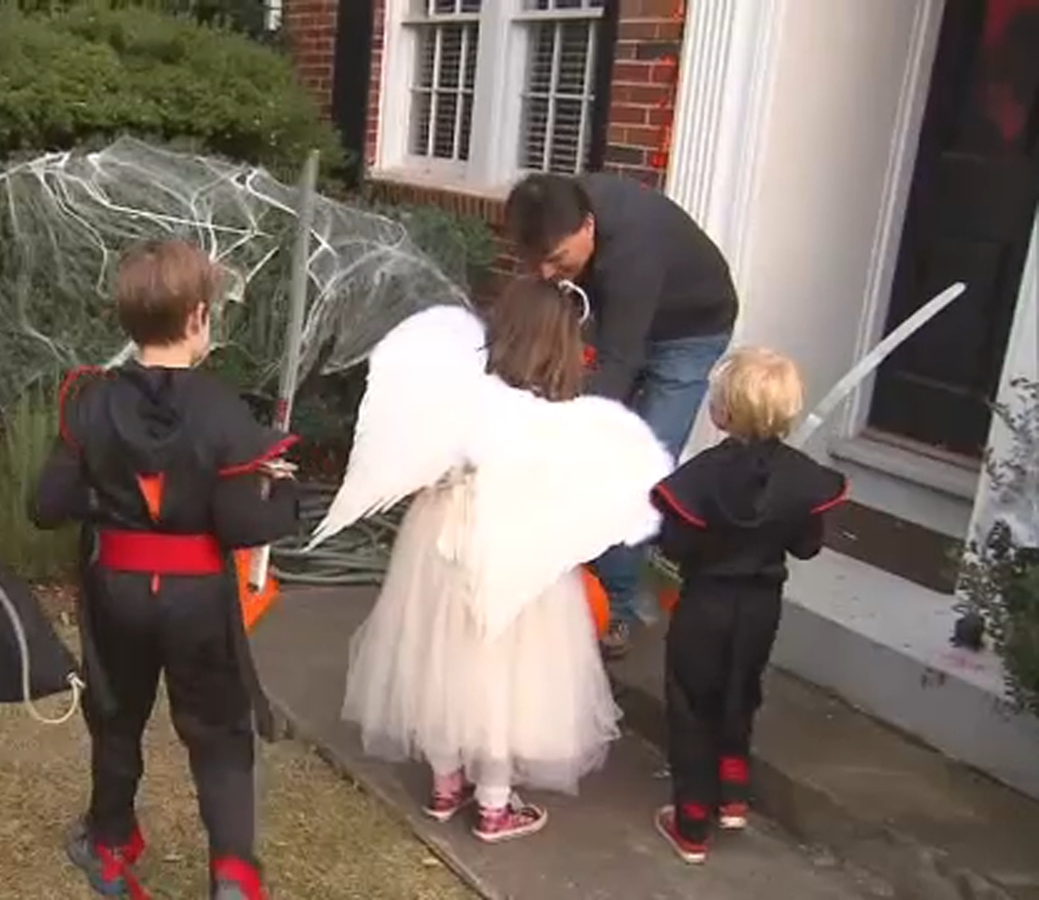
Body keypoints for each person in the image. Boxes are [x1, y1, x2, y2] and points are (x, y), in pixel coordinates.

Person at [330, 278, 673, 844]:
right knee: (504, 666)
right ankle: (493, 802)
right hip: (512, 545)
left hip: (439, 538)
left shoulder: (458, 394)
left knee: (439, 650)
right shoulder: (550, 420)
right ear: (561, 345)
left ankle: (445, 785)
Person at [31, 240, 302, 900]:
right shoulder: (222, 413)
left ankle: (111, 841)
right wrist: (284, 492)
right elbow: (242, 527)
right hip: (198, 602)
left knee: (117, 717)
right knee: (218, 731)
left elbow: (45, 507)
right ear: (199, 318)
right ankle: (233, 875)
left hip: (117, 592)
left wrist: (107, 499)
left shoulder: (89, 402)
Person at [502, 172, 740, 657]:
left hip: (689, 332)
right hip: (625, 322)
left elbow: (620, 360)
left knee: (637, 468)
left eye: (556, 259)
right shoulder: (560, 210)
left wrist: (573, 432)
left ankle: (616, 607)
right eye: (536, 261)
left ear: (588, 227)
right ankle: (575, 571)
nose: (546, 273)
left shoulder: (632, 251)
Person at [648, 347, 847, 864]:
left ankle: (692, 821)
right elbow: (806, 545)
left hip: (706, 604)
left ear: (723, 413)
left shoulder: (703, 475)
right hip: (762, 607)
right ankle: (732, 792)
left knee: (691, 703)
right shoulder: (800, 475)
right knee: (741, 688)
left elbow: (675, 544)